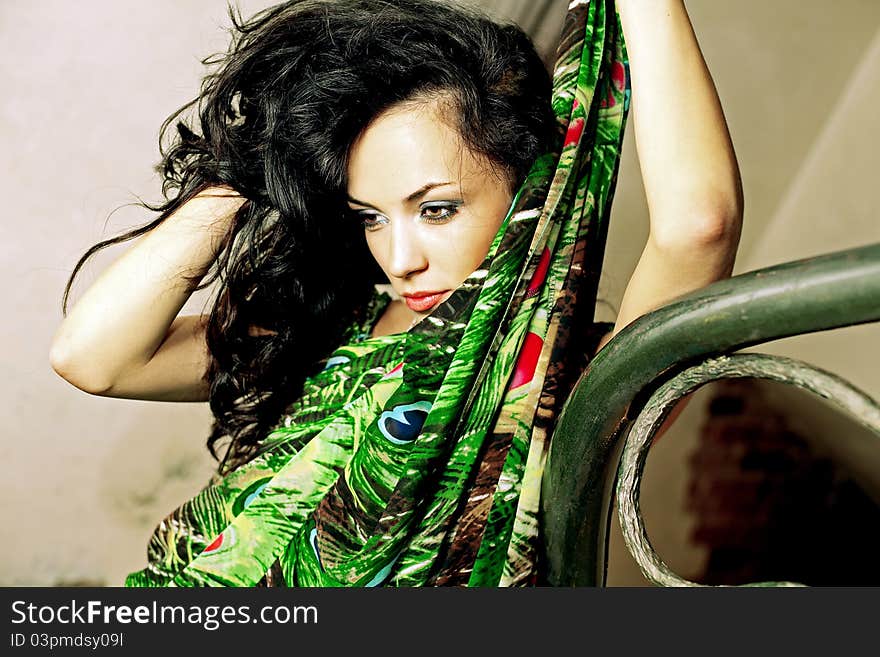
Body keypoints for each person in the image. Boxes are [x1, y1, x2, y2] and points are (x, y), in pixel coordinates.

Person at [50, 0, 742, 586]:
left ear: (529, 191)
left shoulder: (562, 378)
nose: (400, 257)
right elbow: (95, 357)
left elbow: (697, 228)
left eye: (436, 209)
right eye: (371, 217)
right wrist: (259, 161)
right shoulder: (335, 325)